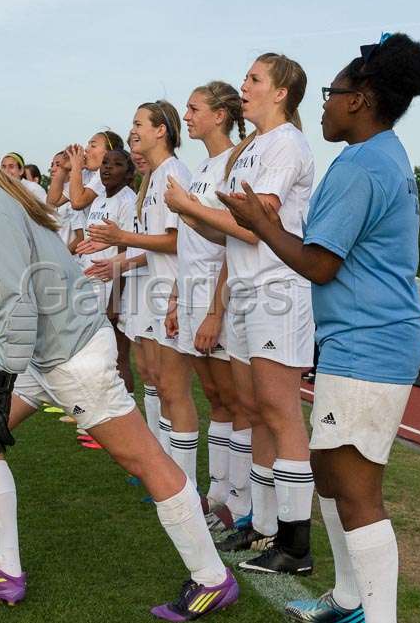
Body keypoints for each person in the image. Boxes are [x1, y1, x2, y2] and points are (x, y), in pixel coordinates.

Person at [0, 105, 238, 620]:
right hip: (52, 348)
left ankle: (213, 579)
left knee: (147, 462)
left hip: (70, 354)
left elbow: (19, 299)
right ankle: (3, 569)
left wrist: (1, 376)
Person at [218, 33, 420, 623]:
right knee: (329, 471)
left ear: (360, 99)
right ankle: (346, 598)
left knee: (356, 487)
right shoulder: (383, 153)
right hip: (358, 340)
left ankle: (375, 614)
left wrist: (260, 222)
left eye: (333, 93)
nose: (324, 104)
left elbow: (320, 262)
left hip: (371, 343)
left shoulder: (361, 165)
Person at [167, 54, 317, 575]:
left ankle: (296, 543)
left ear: (281, 93)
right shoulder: (250, 149)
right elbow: (226, 232)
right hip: (247, 289)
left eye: (254, 79)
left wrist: (191, 205)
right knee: (254, 409)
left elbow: (257, 224)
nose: (244, 85)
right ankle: (263, 524)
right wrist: (193, 213)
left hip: (278, 287)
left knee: (279, 410)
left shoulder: (287, 144)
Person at [82, 101, 201, 487]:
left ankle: (178, 481)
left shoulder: (175, 173)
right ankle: (162, 467)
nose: (132, 131)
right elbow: (151, 246)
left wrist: (121, 241)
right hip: (149, 289)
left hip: (169, 290)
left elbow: (174, 241)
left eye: (138, 124)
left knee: (173, 389)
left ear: (160, 131)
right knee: (154, 379)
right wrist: (120, 262)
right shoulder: (154, 179)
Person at [162, 82, 249, 531]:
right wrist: (178, 298)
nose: (187, 115)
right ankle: (217, 491)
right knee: (215, 396)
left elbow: (233, 243)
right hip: (194, 294)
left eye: (194, 109)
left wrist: (216, 310)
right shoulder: (203, 167)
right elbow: (191, 243)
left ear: (220, 115)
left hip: (223, 296)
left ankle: (240, 499)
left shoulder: (234, 163)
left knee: (236, 400)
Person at [76, 148, 137, 389]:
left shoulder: (128, 201)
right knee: (93, 351)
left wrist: (116, 299)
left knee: (117, 356)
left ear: (129, 173)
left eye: (117, 164)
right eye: (105, 163)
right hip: (91, 284)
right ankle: (96, 410)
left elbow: (126, 251)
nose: (108, 168)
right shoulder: (100, 199)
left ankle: (125, 412)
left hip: (113, 286)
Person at [49, 151, 85, 256]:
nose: (53, 169)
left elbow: (81, 237)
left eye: (58, 165)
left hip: (72, 262)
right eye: (52, 165)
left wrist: (61, 257)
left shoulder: (75, 194)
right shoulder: (53, 195)